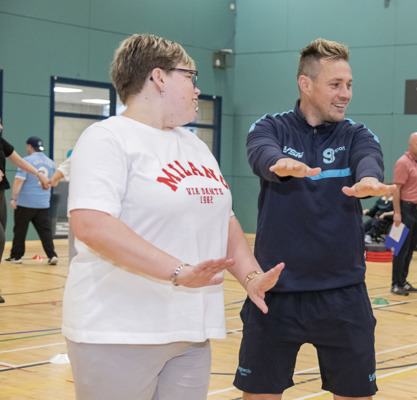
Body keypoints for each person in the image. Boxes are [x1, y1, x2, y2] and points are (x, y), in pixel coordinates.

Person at [61, 33, 283, 400]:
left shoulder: (194, 145)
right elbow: (92, 224)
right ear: (159, 77)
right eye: (190, 77)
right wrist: (178, 271)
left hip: (189, 332)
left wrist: (251, 277)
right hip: (118, 332)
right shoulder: (107, 138)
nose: (197, 89)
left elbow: (223, 220)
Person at [238, 38, 394, 400]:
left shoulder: (357, 134)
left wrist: (368, 179)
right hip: (275, 293)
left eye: (349, 84)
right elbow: (262, 154)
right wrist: (279, 164)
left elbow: (368, 159)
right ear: (305, 84)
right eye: (335, 85)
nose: (346, 94)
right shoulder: (270, 127)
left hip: (343, 294)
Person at [0, 119, 50, 304]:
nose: (0, 127)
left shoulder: (2, 143)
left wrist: (38, 173)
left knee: (2, 239)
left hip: (0, 195)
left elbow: (19, 161)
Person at [5, 136, 58, 265]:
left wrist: (13, 198)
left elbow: (19, 180)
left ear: (29, 146)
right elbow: (54, 182)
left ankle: (16, 256)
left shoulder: (26, 161)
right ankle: (52, 255)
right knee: (45, 231)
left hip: (26, 203)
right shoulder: (51, 162)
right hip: (43, 203)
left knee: (20, 230)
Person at [391, 132, 417, 296]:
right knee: (400, 249)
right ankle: (395, 283)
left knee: (410, 249)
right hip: (405, 211)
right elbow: (396, 190)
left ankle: (403, 281)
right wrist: (397, 213)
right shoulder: (403, 163)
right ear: (410, 145)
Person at [49, 151, 76, 262]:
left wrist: (52, 181)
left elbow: (58, 175)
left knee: (75, 249)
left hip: (78, 209)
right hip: (106, 210)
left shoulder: (79, 153)